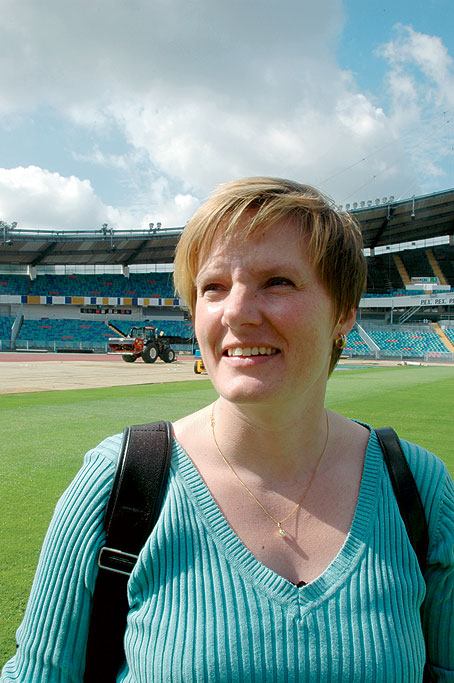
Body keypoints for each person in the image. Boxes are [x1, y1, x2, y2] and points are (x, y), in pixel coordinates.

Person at [2, 177, 453, 682]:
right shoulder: (117, 481)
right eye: (213, 287)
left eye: (277, 281)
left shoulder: (420, 487)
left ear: (344, 312)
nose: (235, 311)